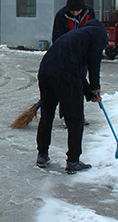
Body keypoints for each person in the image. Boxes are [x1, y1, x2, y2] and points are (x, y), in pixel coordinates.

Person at [35, 18, 107, 173]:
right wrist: (95, 87)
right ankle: (73, 161)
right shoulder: (99, 34)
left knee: (47, 116)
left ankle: (42, 155)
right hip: (65, 74)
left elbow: (76, 71)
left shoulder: (75, 36)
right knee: (75, 120)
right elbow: (94, 62)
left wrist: (89, 93)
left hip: (45, 71)